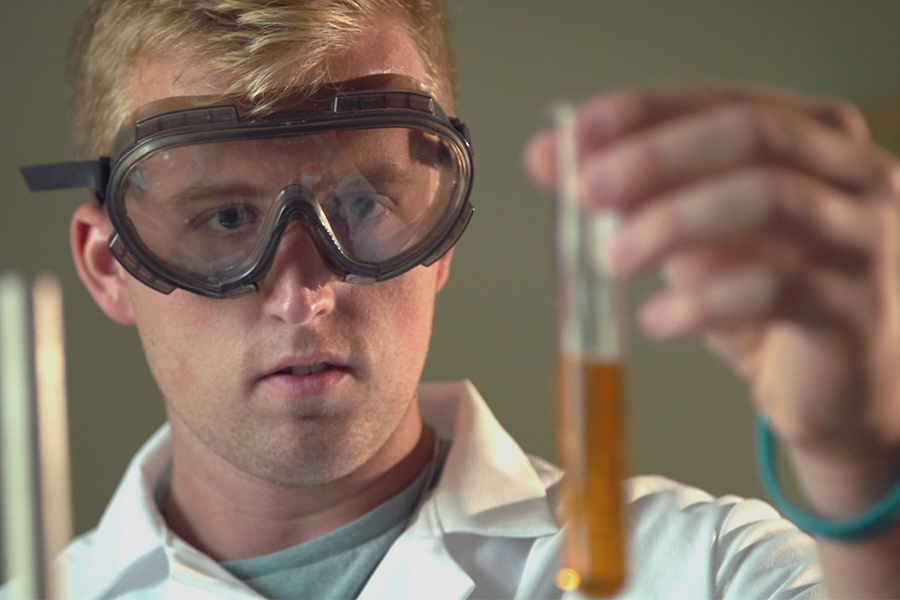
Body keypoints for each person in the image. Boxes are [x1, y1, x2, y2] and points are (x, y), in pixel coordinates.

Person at [12, 0, 900, 598]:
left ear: (446, 229)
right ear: (108, 264)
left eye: (364, 205)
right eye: (226, 217)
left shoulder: (702, 568)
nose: (304, 293)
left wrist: (858, 457)